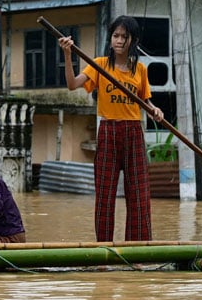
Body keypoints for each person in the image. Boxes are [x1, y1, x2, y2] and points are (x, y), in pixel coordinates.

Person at [59, 15, 164, 242]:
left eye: (124, 37)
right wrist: (68, 55)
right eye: (116, 36)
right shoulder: (99, 64)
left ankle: (138, 249)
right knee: (105, 196)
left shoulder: (140, 70)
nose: (119, 41)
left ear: (133, 40)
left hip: (133, 132)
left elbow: (146, 102)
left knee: (139, 195)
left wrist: (155, 110)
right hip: (108, 131)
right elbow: (72, 84)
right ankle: (104, 249)